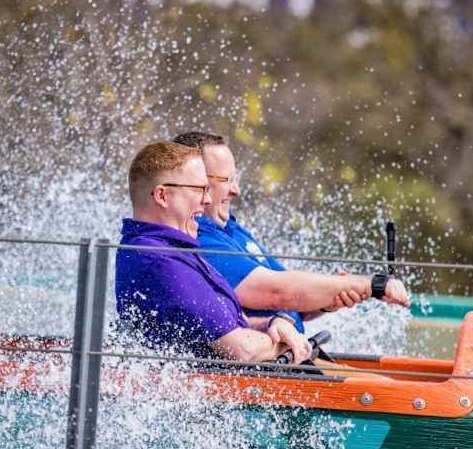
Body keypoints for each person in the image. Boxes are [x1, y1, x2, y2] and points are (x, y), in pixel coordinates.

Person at [172, 131, 410, 330]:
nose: (237, 190)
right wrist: (369, 284)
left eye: (236, 178)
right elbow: (277, 292)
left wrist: (328, 300)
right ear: (197, 181)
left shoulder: (228, 226)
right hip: (269, 372)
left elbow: (291, 301)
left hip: (291, 359)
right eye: (225, 179)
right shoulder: (199, 238)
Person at [115, 141, 313, 364]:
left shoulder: (172, 250)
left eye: (207, 189)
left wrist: (278, 322)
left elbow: (237, 324)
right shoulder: (161, 262)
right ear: (162, 196)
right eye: (199, 189)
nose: (207, 199)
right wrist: (284, 344)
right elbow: (242, 349)